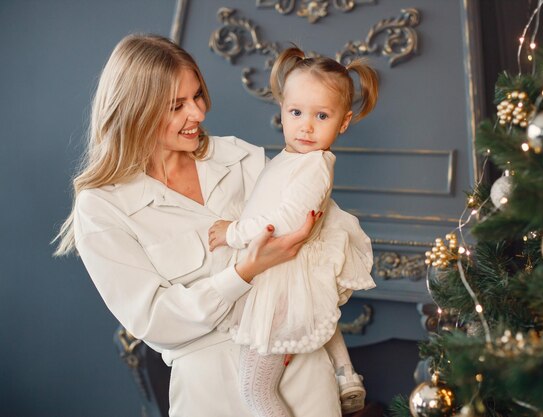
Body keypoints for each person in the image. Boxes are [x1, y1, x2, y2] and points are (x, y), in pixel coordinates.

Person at [54, 34, 342, 417]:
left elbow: (324, 243)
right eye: (177, 106)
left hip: (299, 367)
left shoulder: (242, 158)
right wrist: (244, 271)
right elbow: (155, 321)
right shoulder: (102, 207)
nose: (199, 113)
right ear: (135, 110)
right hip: (210, 391)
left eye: (198, 96)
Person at [208, 47, 379, 416]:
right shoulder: (290, 159)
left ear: (343, 122)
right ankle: (346, 372)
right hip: (280, 276)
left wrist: (233, 233)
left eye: (322, 116)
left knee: (255, 390)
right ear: (282, 110)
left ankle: (345, 372)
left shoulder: (314, 165)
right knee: (322, 308)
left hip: (279, 287)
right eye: (296, 112)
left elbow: (282, 221)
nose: (306, 126)